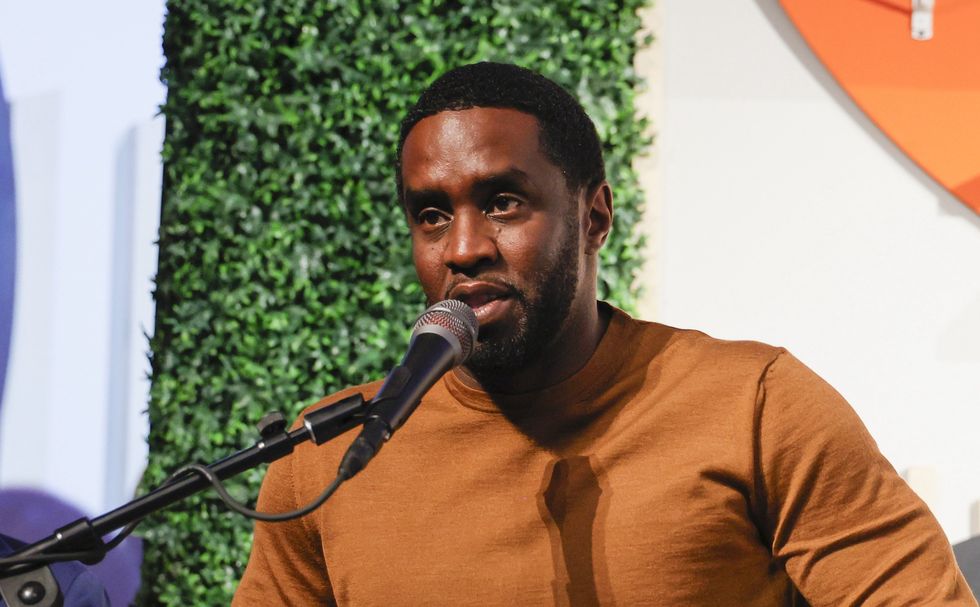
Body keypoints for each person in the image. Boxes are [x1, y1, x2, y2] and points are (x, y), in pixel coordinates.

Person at [234, 62, 975, 605]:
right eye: (431, 215)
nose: (462, 247)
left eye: (502, 202)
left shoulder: (757, 404)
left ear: (594, 218)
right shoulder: (323, 457)